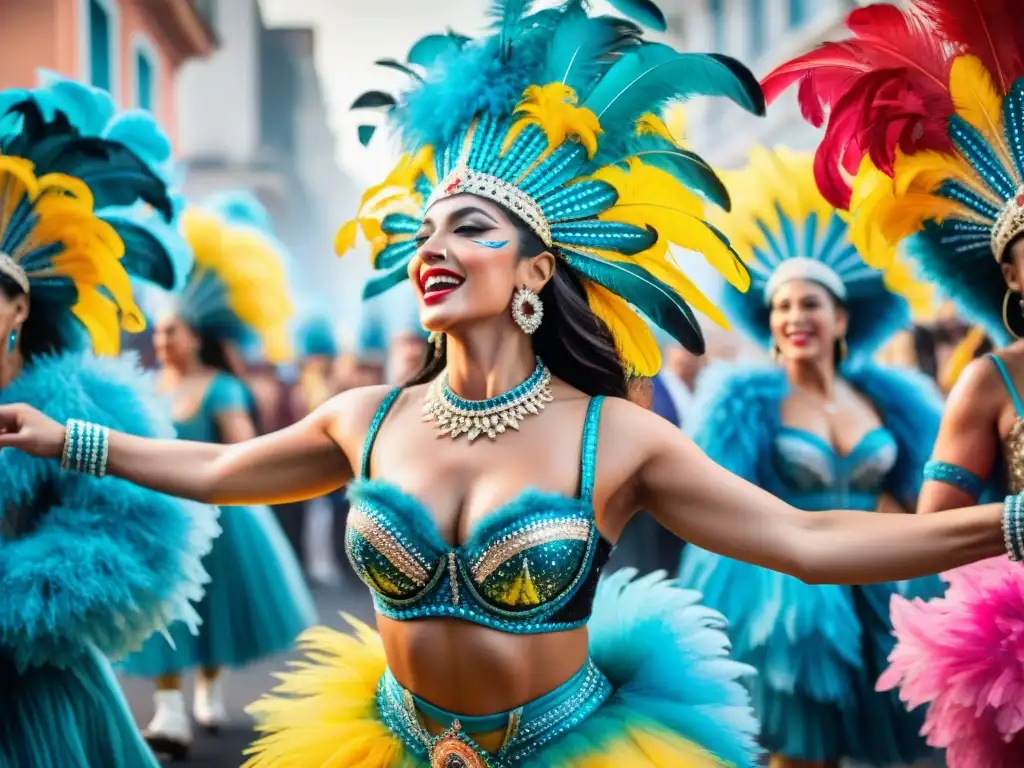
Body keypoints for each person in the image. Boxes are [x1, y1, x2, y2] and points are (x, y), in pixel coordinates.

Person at [0, 3, 1016, 767]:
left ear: (535, 271)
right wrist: (65, 439)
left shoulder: (611, 437)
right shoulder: (370, 415)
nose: (432, 248)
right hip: (387, 740)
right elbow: (222, 469)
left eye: (472, 229)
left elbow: (806, 540)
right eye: (425, 231)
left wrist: (1004, 528)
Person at [764, 2, 1024, 764]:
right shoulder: (990, 382)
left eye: (809, 303)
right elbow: (933, 537)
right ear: (1009, 271)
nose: (796, 319)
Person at [677, 147, 945, 768]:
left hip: (879, 582)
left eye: (809, 303)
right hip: (781, 594)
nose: (795, 317)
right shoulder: (744, 402)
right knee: (796, 755)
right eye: (782, 306)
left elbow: (925, 497)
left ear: (841, 315)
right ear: (767, 322)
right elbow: (716, 509)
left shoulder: (887, 397)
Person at [0, 80, 218, 766]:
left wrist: (15, 597)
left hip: (32, 692)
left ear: (18, 311)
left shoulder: (77, 400)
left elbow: (132, 530)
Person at [117, 199, 316, 759]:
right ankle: (169, 707)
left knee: (212, 612)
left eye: (172, 331)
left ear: (197, 335)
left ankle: (208, 687)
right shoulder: (146, 388)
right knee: (161, 615)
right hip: (161, 519)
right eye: (158, 331)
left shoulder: (223, 389)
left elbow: (247, 452)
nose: (161, 340)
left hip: (222, 518)